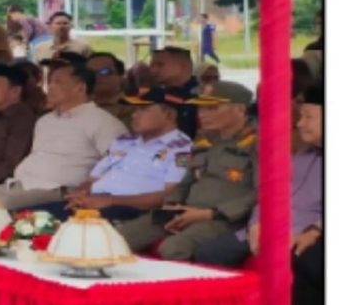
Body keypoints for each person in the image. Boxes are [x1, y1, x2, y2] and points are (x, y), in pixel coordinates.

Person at [0, 54, 122, 226]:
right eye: (49, 81)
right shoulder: (45, 120)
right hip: (17, 184)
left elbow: (119, 161)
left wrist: (89, 186)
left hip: (56, 191)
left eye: (58, 82)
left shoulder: (101, 121)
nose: (49, 87)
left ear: (80, 88)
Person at [107, 82, 258, 265]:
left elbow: (262, 193)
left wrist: (211, 213)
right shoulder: (203, 139)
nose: (203, 114)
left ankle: (183, 293)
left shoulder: (259, 143)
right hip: (184, 212)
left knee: (173, 248)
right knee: (116, 239)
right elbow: (186, 177)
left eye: (212, 108)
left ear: (240, 109)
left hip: (224, 218)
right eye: (201, 107)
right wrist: (172, 203)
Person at [60, 86, 194, 223]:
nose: (134, 115)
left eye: (143, 109)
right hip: (95, 201)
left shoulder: (181, 149)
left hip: (131, 209)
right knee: (42, 215)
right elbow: (92, 179)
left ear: (169, 115)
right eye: (135, 109)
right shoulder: (124, 141)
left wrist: (110, 201)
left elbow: (169, 196)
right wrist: (80, 194)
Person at [288, 89, 324, 305]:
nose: (300, 124)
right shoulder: (300, 156)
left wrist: (316, 230)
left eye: (308, 117)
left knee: (306, 258)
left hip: (314, 230)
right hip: (292, 227)